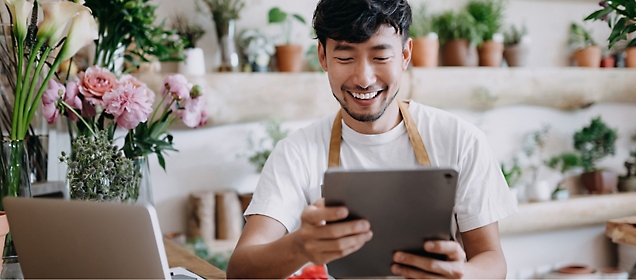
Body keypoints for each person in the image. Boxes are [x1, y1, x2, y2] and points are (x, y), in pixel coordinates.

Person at [226, 0, 517, 278]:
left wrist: (463, 275)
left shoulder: (461, 140)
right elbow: (240, 270)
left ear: (405, 55)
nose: (363, 78)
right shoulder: (295, 153)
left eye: (380, 57)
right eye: (345, 57)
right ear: (323, 57)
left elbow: (492, 259)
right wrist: (300, 245)